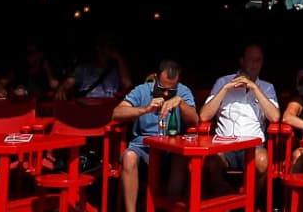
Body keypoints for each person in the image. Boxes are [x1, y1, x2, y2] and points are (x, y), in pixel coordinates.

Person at [115, 61, 199, 212]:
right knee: (129, 157)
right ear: (155, 78)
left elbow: (195, 119)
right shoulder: (142, 90)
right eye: (162, 88)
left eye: (171, 89)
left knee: (181, 157)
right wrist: (144, 110)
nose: (166, 93)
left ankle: (168, 207)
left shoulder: (183, 91)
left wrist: (180, 103)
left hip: (172, 148)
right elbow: (117, 113)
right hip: (143, 146)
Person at [200, 45, 280, 193]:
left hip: (253, 146)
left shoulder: (267, 87)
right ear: (242, 61)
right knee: (211, 164)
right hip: (224, 145)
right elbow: (204, 115)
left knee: (263, 162)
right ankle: (230, 202)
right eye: (251, 60)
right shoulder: (223, 81)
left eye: (258, 60)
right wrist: (225, 89)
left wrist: (255, 88)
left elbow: (274, 117)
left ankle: (247, 205)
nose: (255, 64)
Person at [69, 36, 133, 100]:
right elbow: (68, 83)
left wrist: (119, 58)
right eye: (109, 45)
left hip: (108, 106)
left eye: (113, 45)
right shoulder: (83, 68)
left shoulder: (117, 70)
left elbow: (127, 84)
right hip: (88, 105)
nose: (111, 48)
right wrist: (62, 88)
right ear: (99, 47)